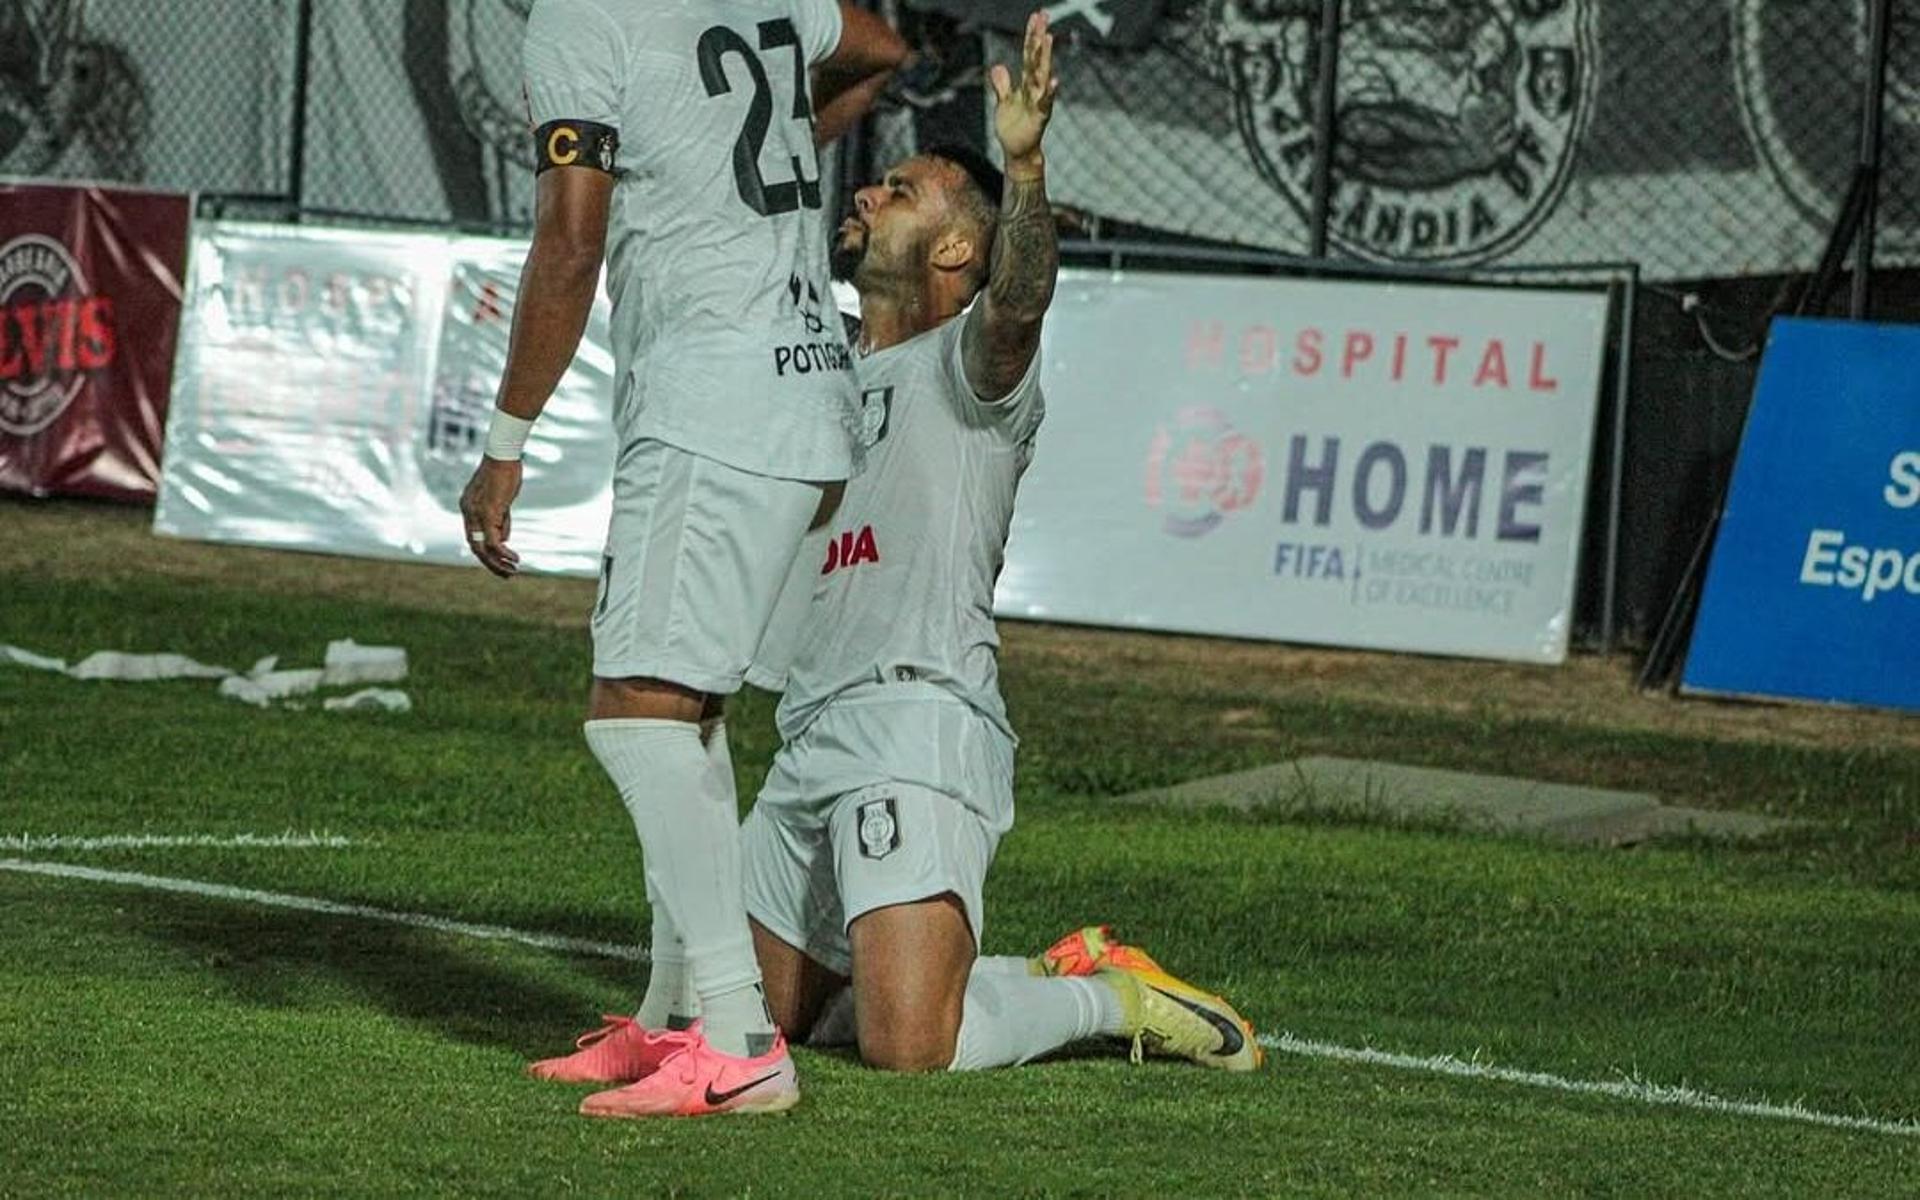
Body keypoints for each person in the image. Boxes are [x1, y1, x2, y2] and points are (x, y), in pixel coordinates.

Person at [742, 10, 1263, 1078]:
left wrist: (1023, 167)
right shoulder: (826, 370)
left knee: (908, 1048)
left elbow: (1019, 301)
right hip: (809, 728)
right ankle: (1008, 970)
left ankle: (1110, 998)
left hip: (916, 720)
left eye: (902, 190)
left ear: (954, 248)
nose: (869, 193)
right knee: (744, 1016)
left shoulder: (970, 371)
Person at [459, 0, 906, 1118]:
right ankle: (672, 1018)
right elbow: (879, 45)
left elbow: (570, 242)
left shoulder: (578, 20)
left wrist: (505, 443)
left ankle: (742, 1040)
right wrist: (747, 141)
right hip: (809, 385)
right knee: (689, 708)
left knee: (636, 714)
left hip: (716, 400)